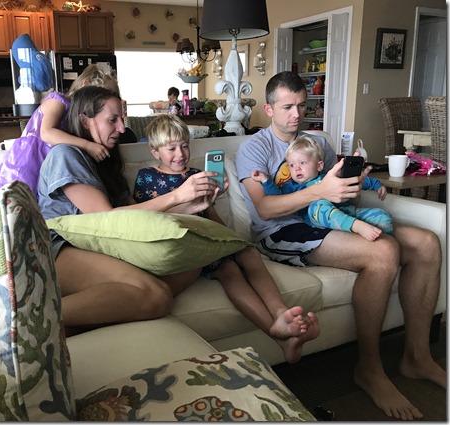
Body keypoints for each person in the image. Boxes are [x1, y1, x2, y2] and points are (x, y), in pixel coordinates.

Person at [235, 71, 444, 420]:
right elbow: (265, 208)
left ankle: (417, 357)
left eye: (302, 105)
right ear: (269, 109)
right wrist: (321, 191)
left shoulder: (317, 143)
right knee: (383, 251)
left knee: (426, 243)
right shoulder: (254, 148)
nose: (297, 114)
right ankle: (370, 369)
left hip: (327, 219)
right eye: (287, 107)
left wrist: (359, 183)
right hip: (282, 231)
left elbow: (340, 191)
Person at [133, 114, 320, 364]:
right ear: (155, 151)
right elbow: (147, 218)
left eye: (185, 146)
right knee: (230, 270)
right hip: (182, 242)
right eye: (172, 148)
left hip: (208, 237)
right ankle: (279, 335)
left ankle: (280, 316)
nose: (180, 154)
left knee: (246, 254)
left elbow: (209, 214)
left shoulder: (198, 174)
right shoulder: (147, 177)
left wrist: (225, 231)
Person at [37, 85, 222, 331]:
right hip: (60, 249)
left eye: (121, 119)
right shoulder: (65, 155)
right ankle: (35, 323)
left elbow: (135, 216)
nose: (122, 128)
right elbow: (106, 219)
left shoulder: (106, 160)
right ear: (85, 120)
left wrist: (189, 207)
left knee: (190, 267)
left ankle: (77, 324)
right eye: (112, 120)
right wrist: (177, 195)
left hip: (105, 246)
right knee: (158, 295)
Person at [0, 64, 119, 200]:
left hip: (52, 162)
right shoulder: (59, 101)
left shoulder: (80, 116)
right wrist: (87, 145)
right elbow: (47, 133)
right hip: (31, 159)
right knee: (21, 199)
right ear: (85, 84)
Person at [251, 135, 393, 241]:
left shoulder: (329, 177)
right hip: (318, 218)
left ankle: (378, 238)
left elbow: (351, 181)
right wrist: (265, 180)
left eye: (302, 163)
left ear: (319, 166)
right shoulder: (292, 186)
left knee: (383, 216)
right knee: (319, 206)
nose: (296, 168)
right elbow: (277, 198)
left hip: (346, 211)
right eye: (292, 165)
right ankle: (356, 226)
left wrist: (376, 185)